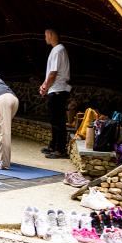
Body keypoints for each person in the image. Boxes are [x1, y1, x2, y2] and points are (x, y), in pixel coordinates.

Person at [39, 28, 72, 159]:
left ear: (51, 34)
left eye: (45, 35)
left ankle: (60, 149)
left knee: (58, 121)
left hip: (58, 90)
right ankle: (53, 146)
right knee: (54, 120)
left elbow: (53, 73)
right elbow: (50, 74)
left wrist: (45, 87)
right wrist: (44, 85)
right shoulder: (56, 50)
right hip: (55, 89)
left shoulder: (58, 50)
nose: (45, 38)